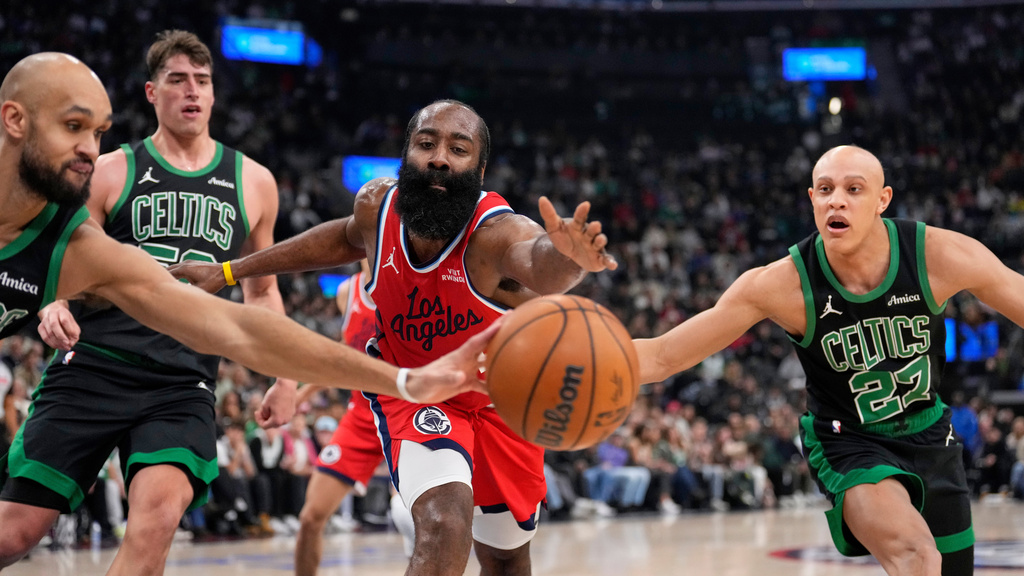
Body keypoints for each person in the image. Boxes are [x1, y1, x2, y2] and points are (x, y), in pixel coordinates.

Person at [0, 53, 494, 572]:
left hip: (178, 381)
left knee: (158, 520)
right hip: (94, 366)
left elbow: (240, 326)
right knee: (14, 534)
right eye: (74, 127)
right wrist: (54, 302)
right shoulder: (112, 174)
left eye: (98, 132)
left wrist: (405, 381)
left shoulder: (80, 246)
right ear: (14, 120)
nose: (87, 151)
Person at [170, 99, 616, 576]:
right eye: (426, 144)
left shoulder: (496, 233)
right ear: (406, 156)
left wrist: (571, 260)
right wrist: (230, 270)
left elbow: (540, 263)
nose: (439, 157)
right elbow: (341, 239)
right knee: (444, 524)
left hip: (501, 397)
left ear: (479, 169)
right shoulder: (376, 207)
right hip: (419, 392)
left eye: (458, 148)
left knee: (506, 557)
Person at [633, 145, 993, 576]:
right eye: (825, 189)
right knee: (917, 556)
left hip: (931, 433)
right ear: (812, 199)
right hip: (849, 440)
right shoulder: (781, 284)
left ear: (883, 199)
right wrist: (560, 357)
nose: (836, 199)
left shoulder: (935, 254)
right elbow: (662, 356)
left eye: (853, 189)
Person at [293, 261, 415, 575]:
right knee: (310, 517)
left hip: (406, 413)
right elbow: (345, 354)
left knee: (409, 517)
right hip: (361, 415)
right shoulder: (347, 292)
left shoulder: (412, 283)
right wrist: (302, 394)